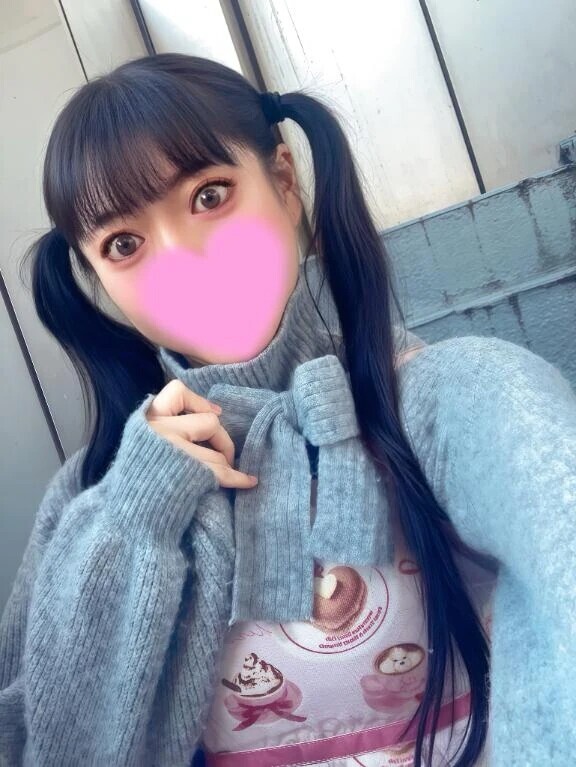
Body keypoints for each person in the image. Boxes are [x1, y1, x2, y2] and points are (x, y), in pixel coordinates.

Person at [0, 52, 574, 767]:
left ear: (283, 179)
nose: (183, 258)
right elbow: (33, 738)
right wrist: (134, 517)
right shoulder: (88, 493)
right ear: (98, 280)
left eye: (209, 196)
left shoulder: (436, 397)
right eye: (124, 244)